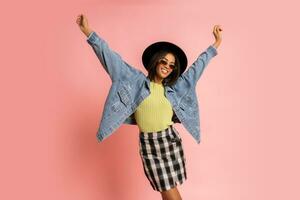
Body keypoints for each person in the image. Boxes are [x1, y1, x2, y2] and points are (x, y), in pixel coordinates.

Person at [76, 14, 222, 200]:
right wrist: (88, 32)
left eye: (171, 65)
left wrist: (215, 44)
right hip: (148, 145)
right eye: (164, 62)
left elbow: (197, 67)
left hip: (168, 141)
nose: (167, 67)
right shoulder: (134, 80)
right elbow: (109, 56)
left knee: (169, 191)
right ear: (156, 61)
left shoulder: (175, 88)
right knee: (165, 190)